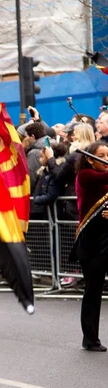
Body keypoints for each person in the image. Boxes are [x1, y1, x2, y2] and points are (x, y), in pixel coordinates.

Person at [72, 142, 108, 351]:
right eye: (101, 155)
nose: (105, 159)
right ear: (90, 159)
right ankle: (90, 338)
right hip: (91, 242)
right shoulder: (86, 176)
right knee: (93, 291)